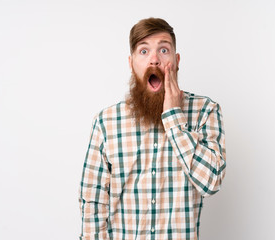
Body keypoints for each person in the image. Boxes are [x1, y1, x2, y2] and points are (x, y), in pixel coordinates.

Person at [79, 17, 226, 240]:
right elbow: (93, 202)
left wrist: (174, 119)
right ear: (131, 63)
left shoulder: (205, 111)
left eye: (164, 50)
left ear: (176, 60)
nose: (154, 60)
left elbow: (211, 182)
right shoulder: (106, 122)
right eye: (144, 51)